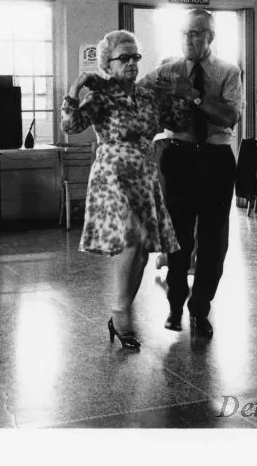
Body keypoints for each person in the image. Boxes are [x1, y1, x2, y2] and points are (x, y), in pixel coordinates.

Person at [61, 30, 190, 350]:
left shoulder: (148, 95)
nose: (133, 63)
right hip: (112, 177)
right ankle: (122, 313)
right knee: (132, 237)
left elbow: (180, 121)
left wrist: (181, 93)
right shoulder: (100, 95)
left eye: (136, 57)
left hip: (144, 177)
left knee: (143, 250)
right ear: (109, 64)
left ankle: (120, 314)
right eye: (125, 58)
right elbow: (70, 126)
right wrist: (75, 89)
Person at [140, 8, 243, 338]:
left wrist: (195, 97)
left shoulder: (228, 72)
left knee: (213, 240)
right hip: (178, 156)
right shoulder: (167, 70)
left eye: (197, 33)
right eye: (185, 32)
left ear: (210, 37)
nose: (189, 38)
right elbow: (136, 96)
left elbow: (229, 117)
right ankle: (174, 304)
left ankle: (200, 308)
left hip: (215, 157)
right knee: (177, 237)